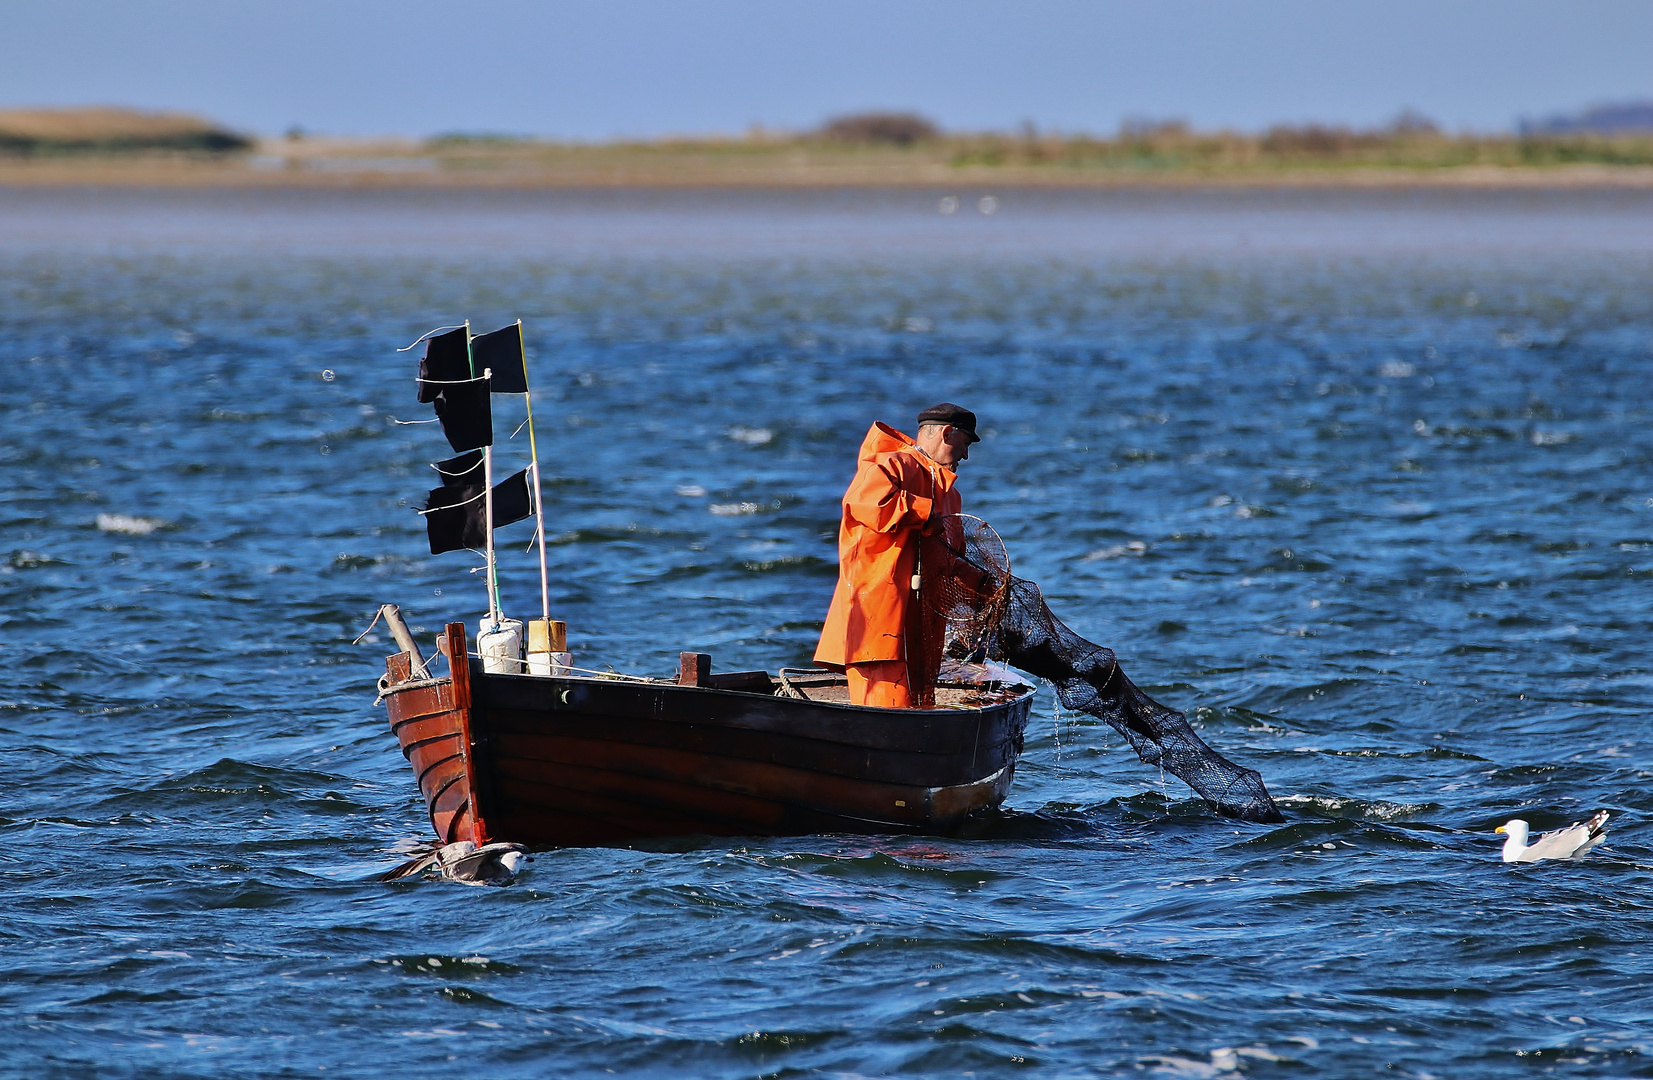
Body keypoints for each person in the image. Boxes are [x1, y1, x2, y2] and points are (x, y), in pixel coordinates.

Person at [814, 403, 981, 708]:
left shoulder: (951, 494)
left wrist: (979, 585)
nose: (966, 456)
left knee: (920, 712)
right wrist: (923, 511)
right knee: (887, 714)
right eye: (965, 444)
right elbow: (865, 503)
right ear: (947, 433)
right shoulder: (889, 466)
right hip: (878, 628)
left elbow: (945, 560)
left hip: (923, 635)